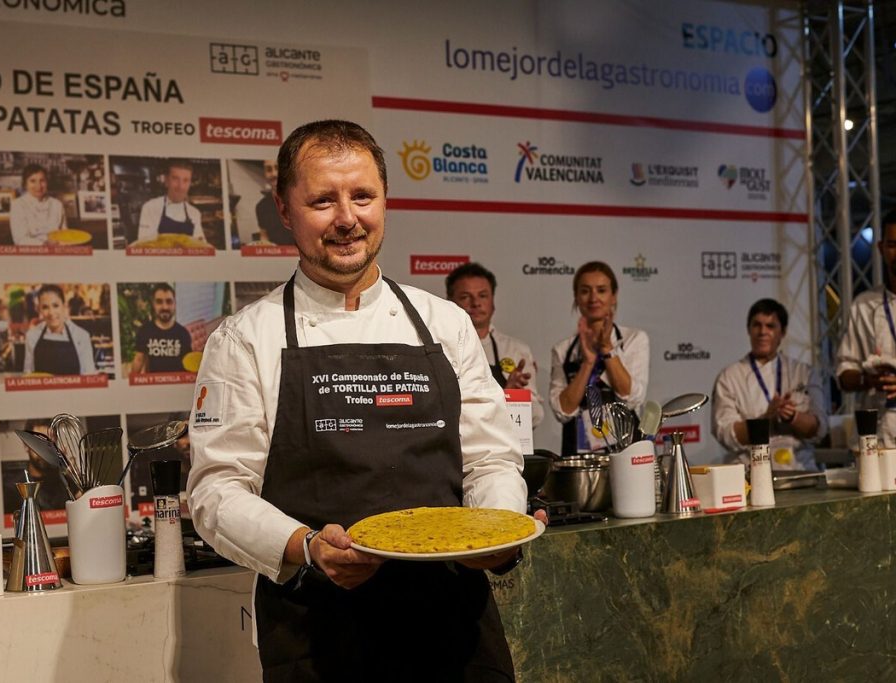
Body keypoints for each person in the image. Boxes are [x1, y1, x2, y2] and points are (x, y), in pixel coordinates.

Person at [187, 120, 536, 682]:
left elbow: (491, 460)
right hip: (318, 632)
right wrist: (305, 546)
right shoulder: (245, 338)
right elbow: (216, 491)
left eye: (363, 196)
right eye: (323, 201)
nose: (347, 218)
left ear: (385, 201)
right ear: (285, 210)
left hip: (453, 625)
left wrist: (496, 531)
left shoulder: (444, 324)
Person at [712, 299, 827, 470]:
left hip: (799, 469)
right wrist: (765, 420)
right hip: (749, 471)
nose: (762, 332)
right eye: (756, 325)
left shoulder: (804, 372)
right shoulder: (729, 377)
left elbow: (819, 429)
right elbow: (725, 434)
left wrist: (792, 417)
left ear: (783, 332)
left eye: (770, 326)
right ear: (748, 330)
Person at [549, 261, 649, 455]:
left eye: (601, 290)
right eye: (585, 291)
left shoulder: (634, 340)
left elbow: (632, 397)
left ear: (614, 296)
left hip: (625, 453)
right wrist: (588, 363)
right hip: (578, 458)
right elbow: (563, 410)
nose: (593, 298)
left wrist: (607, 349)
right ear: (576, 297)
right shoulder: (562, 350)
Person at [445, 262, 544, 427]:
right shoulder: (439, 349)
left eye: (483, 296)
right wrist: (503, 398)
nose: (476, 303)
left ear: (493, 302)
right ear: (449, 303)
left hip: (507, 442)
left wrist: (514, 397)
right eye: (465, 297)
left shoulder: (516, 350)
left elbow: (536, 415)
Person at [837, 211, 896, 446]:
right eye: (892, 245)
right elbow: (844, 375)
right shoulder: (863, 304)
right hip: (877, 435)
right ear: (881, 248)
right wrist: (868, 380)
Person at [23, 284, 97, 375]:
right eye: (45, 307)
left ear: (64, 306)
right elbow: (28, 375)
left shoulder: (81, 337)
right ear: (39, 310)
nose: (51, 312)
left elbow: (89, 376)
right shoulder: (32, 336)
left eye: (55, 306)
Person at [1, 418, 69, 515]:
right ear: (26, 446)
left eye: (50, 444)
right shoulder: (12, 489)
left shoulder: (66, 481)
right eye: (38, 444)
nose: (44, 451)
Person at [135, 160, 206, 244]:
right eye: (175, 179)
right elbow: (144, 245)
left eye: (186, 180)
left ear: (190, 183)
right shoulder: (150, 208)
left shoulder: (195, 213)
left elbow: (201, 245)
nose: (180, 186)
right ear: (166, 181)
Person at [131, 284, 194, 374]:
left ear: (174, 304)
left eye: (169, 301)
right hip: (153, 382)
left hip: (178, 382)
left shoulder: (183, 334)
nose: (165, 307)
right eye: (159, 302)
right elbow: (139, 359)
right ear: (153, 304)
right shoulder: (144, 331)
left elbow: (189, 364)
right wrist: (131, 381)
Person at [7, 164, 68, 246]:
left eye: (42, 180)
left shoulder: (57, 205)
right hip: (31, 251)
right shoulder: (18, 205)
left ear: (47, 182)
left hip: (56, 250)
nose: (38, 186)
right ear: (25, 184)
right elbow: (20, 239)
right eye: (32, 181)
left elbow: (65, 235)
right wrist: (44, 244)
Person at [254, 159, 295, 246]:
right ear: (265, 174)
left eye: (277, 168)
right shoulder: (261, 206)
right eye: (269, 170)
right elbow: (264, 236)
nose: (274, 174)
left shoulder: (298, 200)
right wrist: (263, 243)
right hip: (276, 254)